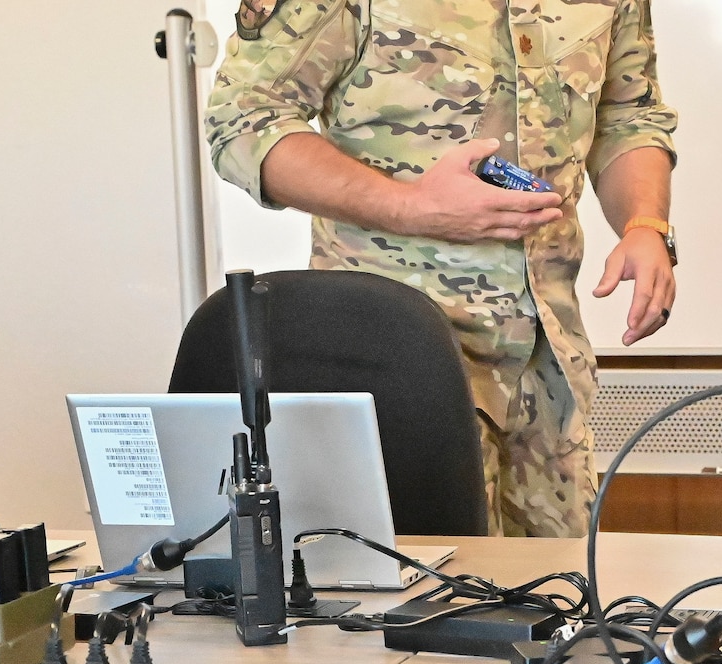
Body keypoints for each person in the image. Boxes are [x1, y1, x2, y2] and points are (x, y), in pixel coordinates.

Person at [205, 0, 679, 538]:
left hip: (547, 376)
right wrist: (410, 206)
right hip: (398, 369)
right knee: (423, 612)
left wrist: (644, 223)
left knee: (555, 607)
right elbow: (243, 117)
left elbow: (627, 115)